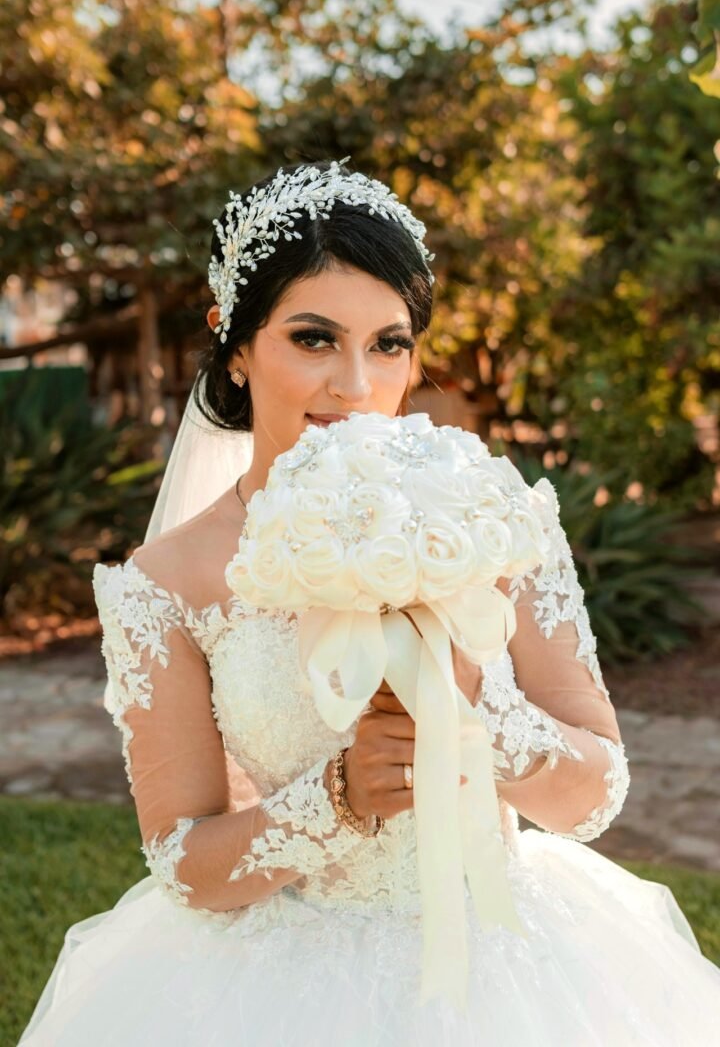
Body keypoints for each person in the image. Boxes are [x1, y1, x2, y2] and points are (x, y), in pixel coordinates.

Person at [20, 158, 720, 1045]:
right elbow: (184, 863)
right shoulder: (163, 584)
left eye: (388, 343)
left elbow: (596, 793)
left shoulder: (491, 521)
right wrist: (338, 800)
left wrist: (486, 725)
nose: (356, 386)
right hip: (281, 988)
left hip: (511, 964)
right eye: (314, 338)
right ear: (237, 347)